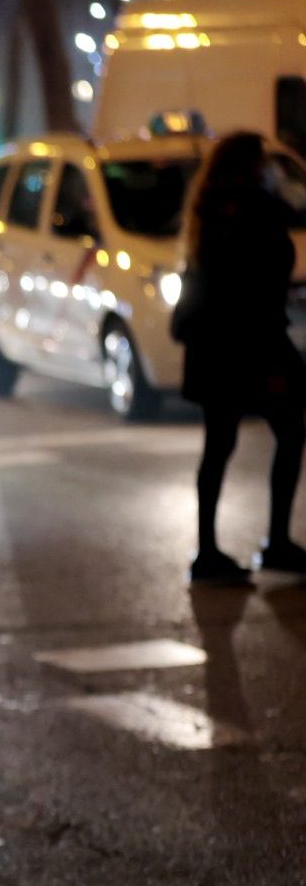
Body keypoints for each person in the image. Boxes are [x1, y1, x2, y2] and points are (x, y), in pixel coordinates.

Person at [173, 131, 306, 584]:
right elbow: (262, 279)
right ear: (251, 166)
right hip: (256, 344)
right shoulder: (256, 208)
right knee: (289, 433)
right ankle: (275, 541)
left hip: (215, 347)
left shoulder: (208, 211)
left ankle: (208, 549)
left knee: (219, 445)